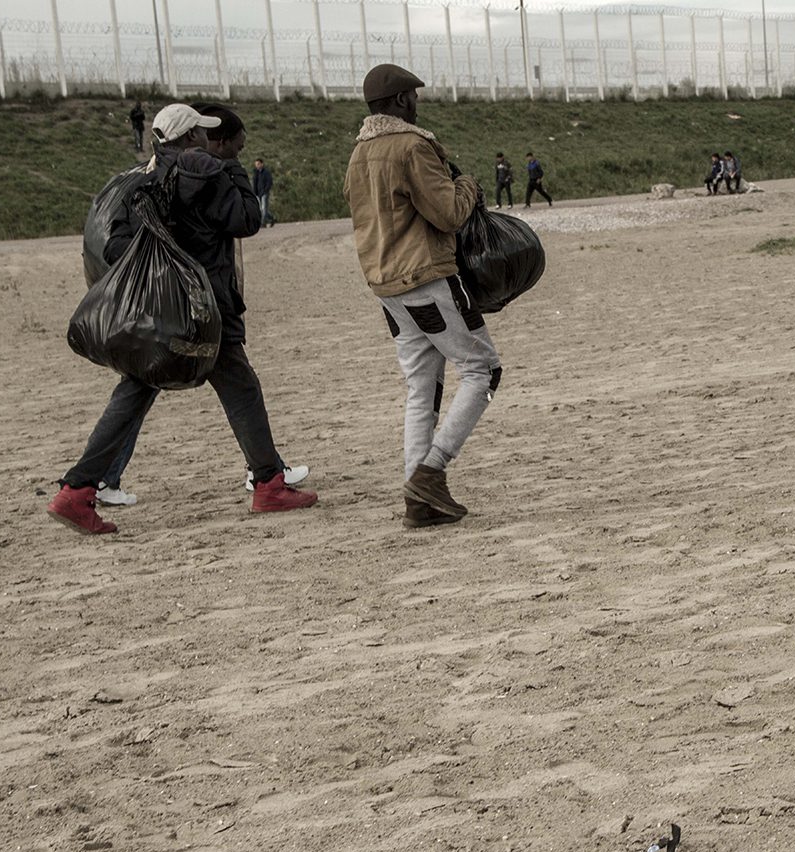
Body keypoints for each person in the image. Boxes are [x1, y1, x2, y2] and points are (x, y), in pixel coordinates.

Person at [47, 103, 317, 534]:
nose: (208, 139)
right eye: (201, 132)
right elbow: (247, 219)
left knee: (136, 390)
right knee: (242, 391)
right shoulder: (209, 173)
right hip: (207, 308)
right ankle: (268, 485)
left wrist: (165, 264)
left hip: (157, 315)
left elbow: (115, 246)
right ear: (190, 137)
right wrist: (232, 168)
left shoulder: (142, 182)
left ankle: (77, 491)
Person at [343, 64, 499, 529]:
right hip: (427, 277)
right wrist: (468, 185)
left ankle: (418, 498)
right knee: (483, 370)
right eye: (413, 95)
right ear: (399, 101)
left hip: (386, 285)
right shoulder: (412, 146)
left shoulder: (358, 154)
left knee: (421, 386)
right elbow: (449, 213)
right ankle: (432, 471)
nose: (417, 103)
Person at [253, 158, 276, 226]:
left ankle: (263, 223)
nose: (257, 165)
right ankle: (272, 218)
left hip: (265, 192)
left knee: (264, 208)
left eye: (258, 164)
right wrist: (254, 192)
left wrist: (266, 190)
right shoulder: (256, 173)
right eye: (256, 164)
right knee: (261, 209)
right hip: (258, 193)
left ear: (262, 164)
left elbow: (269, 182)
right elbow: (254, 183)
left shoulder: (266, 172)